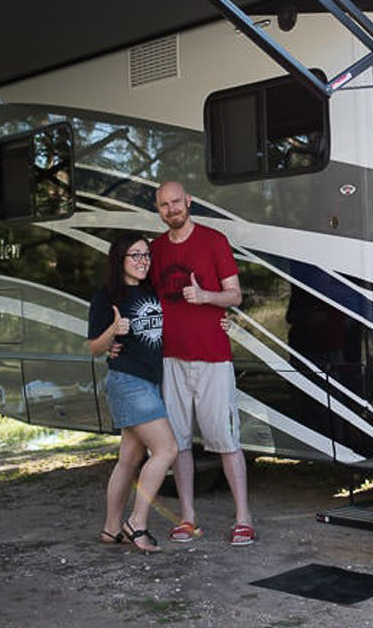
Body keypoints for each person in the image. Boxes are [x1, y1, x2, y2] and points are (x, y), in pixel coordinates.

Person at [151, 180, 253, 546]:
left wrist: (206, 297)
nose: (172, 209)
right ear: (159, 209)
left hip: (212, 358)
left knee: (225, 439)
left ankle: (244, 518)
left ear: (188, 202)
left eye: (177, 202)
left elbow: (235, 295)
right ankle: (188, 517)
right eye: (164, 205)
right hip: (170, 360)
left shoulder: (213, 241)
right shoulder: (156, 249)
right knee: (178, 443)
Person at [87, 232, 178, 553]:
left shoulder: (153, 289)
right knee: (167, 450)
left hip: (149, 382)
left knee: (129, 459)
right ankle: (136, 523)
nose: (142, 261)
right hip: (128, 382)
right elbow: (94, 348)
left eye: (146, 255)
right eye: (135, 255)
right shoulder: (107, 296)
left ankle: (111, 530)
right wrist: (113, 331)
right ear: (120, 259)